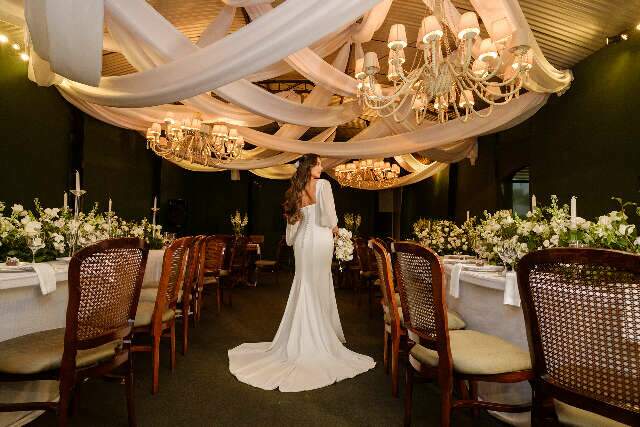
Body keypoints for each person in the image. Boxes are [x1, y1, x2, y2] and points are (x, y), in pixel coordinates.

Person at [228, 154, 375, 392]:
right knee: (319, 285)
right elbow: (328, 218)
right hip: (320, 241)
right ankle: (317, 336)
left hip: (303, 244)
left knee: (303, 283)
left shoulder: (295, 191)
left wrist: (294, 238)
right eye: (318, 163)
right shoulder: (324, 185)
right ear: (310, 167)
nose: (322, 166)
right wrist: (340, 232)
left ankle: (300, 337)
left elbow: (292, 227)